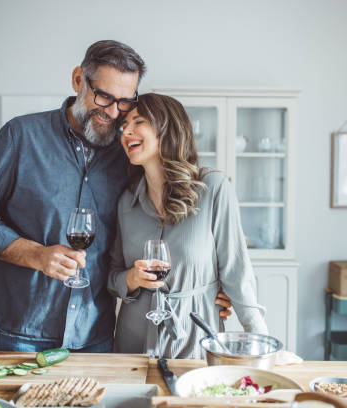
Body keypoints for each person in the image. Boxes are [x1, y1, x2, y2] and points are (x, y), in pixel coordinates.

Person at [0, 40, 231, 352]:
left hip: (96, 335)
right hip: (24, 331)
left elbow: (165, 226)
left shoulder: (130, 153)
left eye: (125, 102)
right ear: (78, 80)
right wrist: (36, 255)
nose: (114, 113)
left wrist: (210, 292)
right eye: (104, 96)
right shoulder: (21, 136)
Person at [108, 93, 268, 359]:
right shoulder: (126, 202)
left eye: (139, 122)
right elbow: (111, 275)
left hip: (196, 341)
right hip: (133, 344)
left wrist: (263, 346)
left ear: (166, 128)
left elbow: (237, 274)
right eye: (124, 125)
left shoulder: (213, 188)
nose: (127, 131)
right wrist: (130, 279)